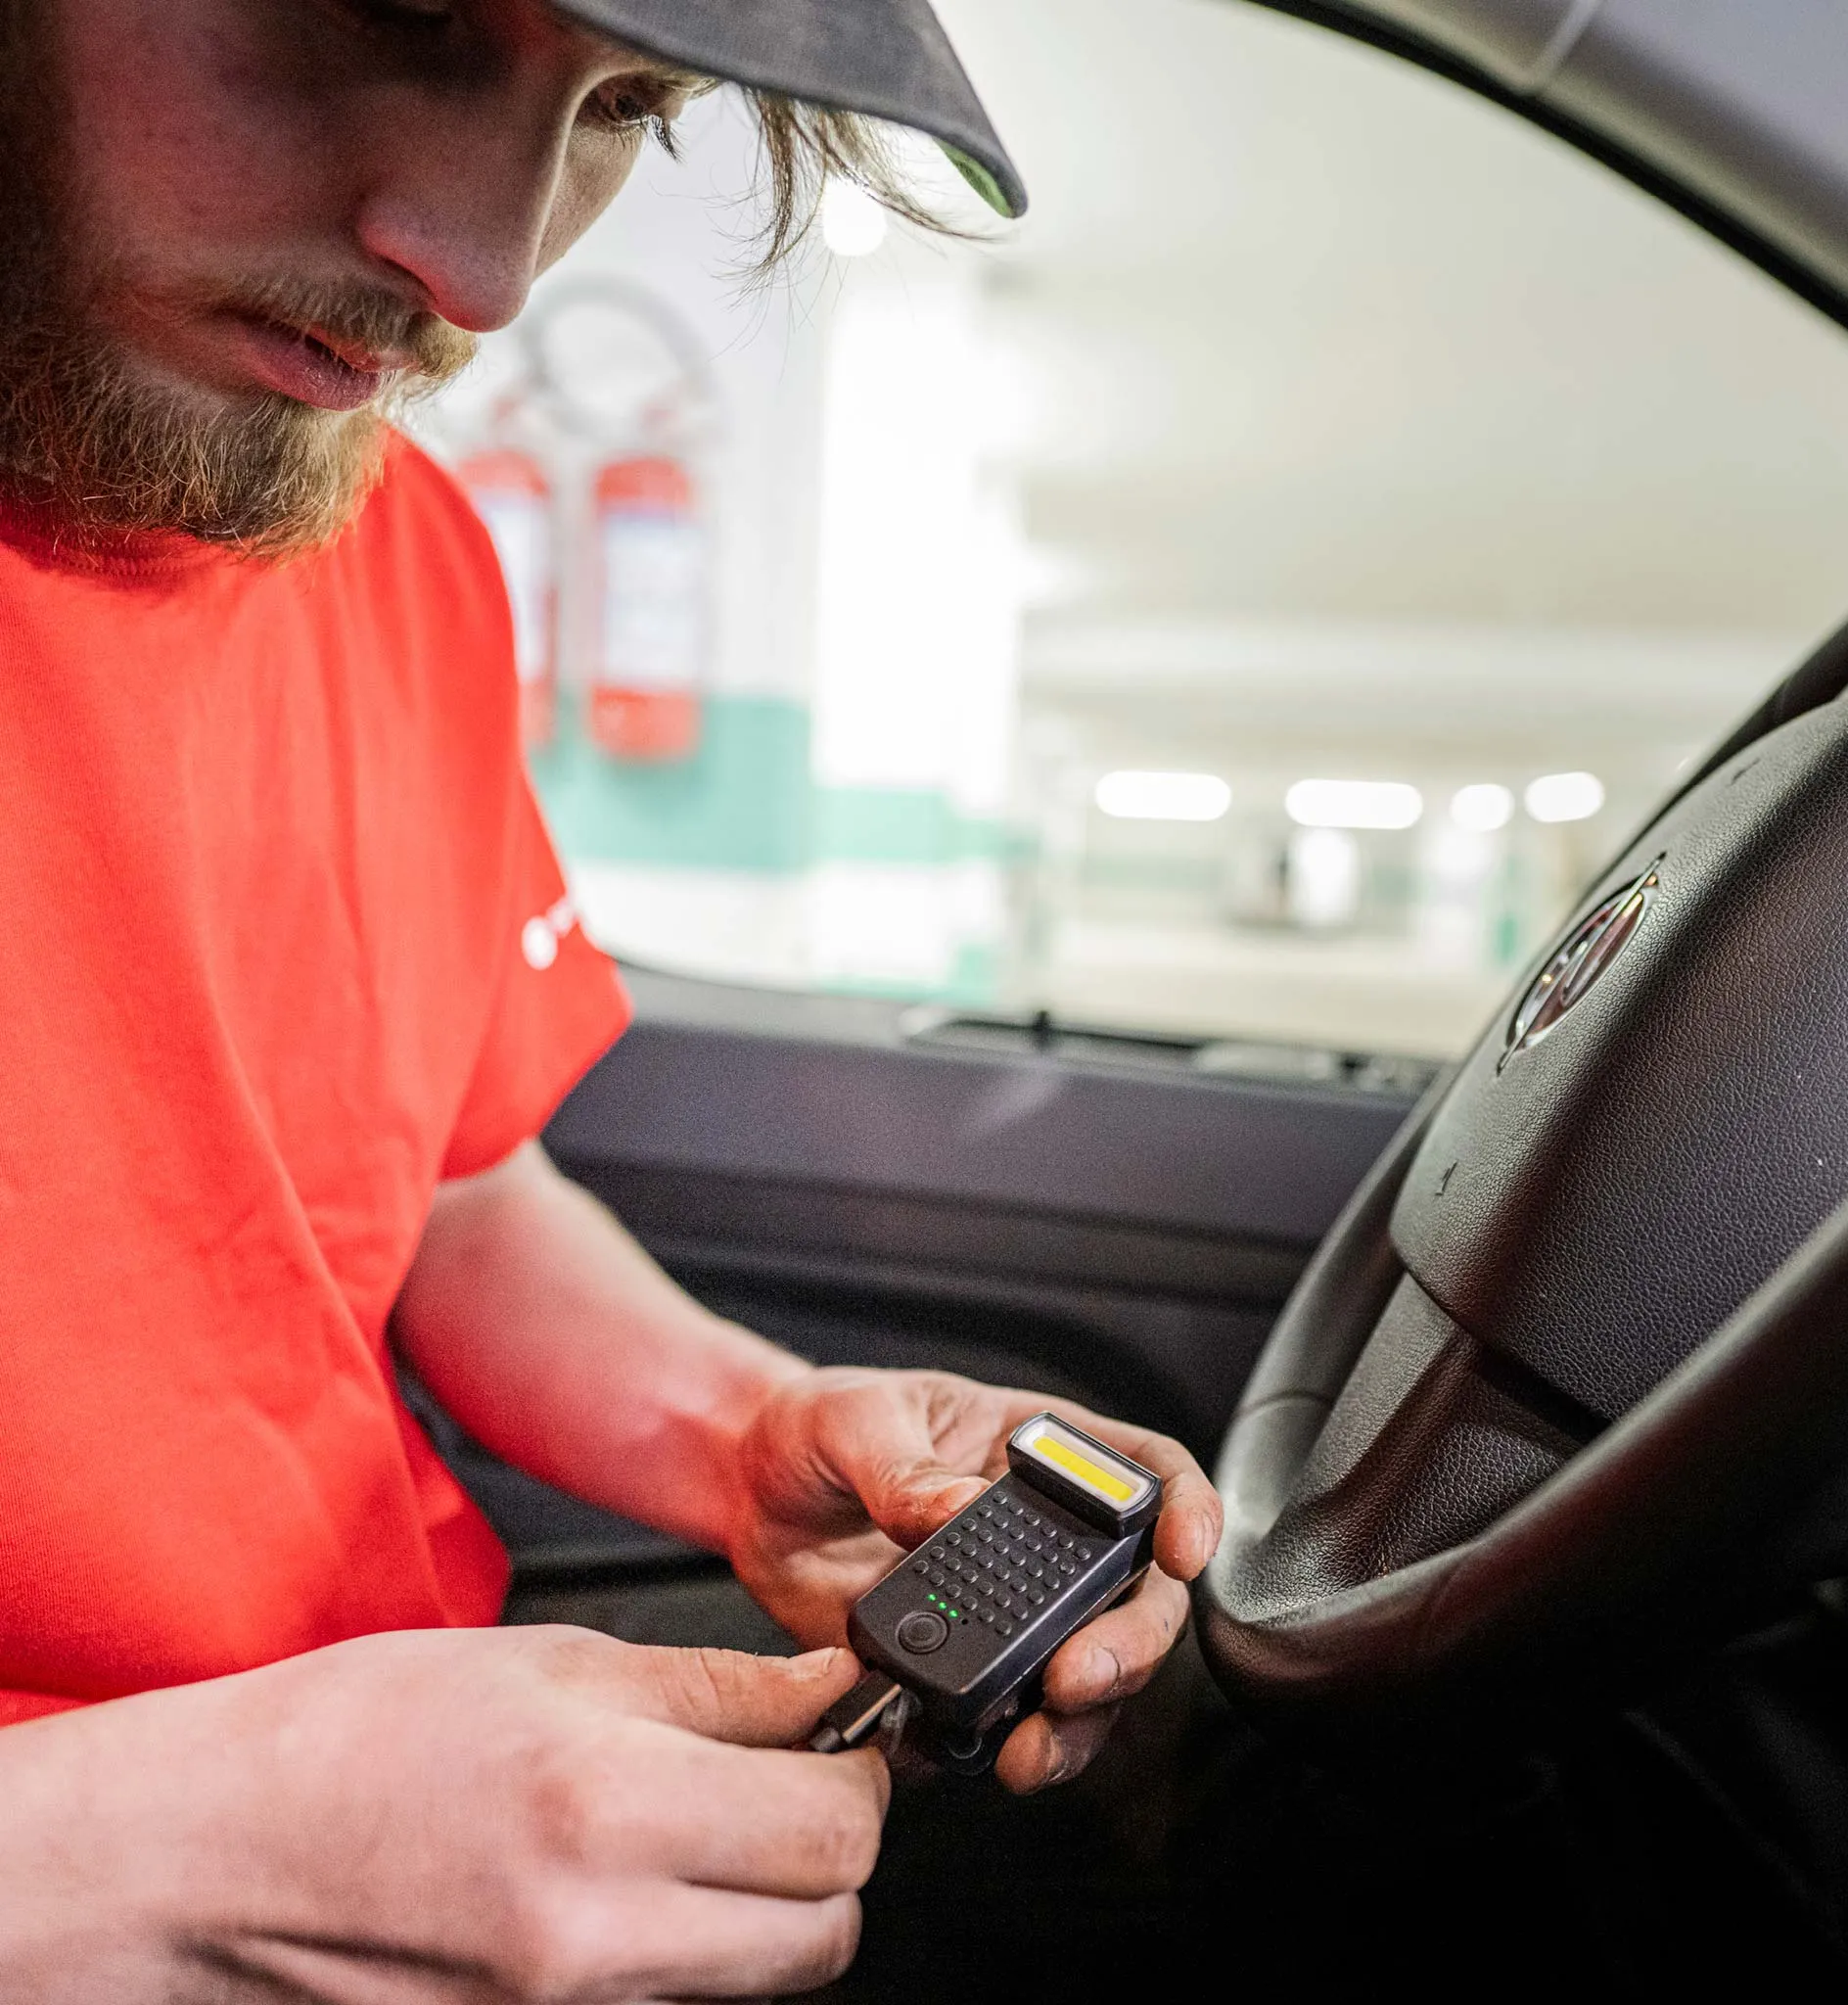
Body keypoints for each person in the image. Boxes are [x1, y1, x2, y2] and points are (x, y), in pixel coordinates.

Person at [0, 0, 1224, 1995]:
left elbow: (448, 1190)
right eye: (372, 23)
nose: (483, 271)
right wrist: (173, 1859)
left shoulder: (391, 547)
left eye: (627, 107)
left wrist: (742, 1433)